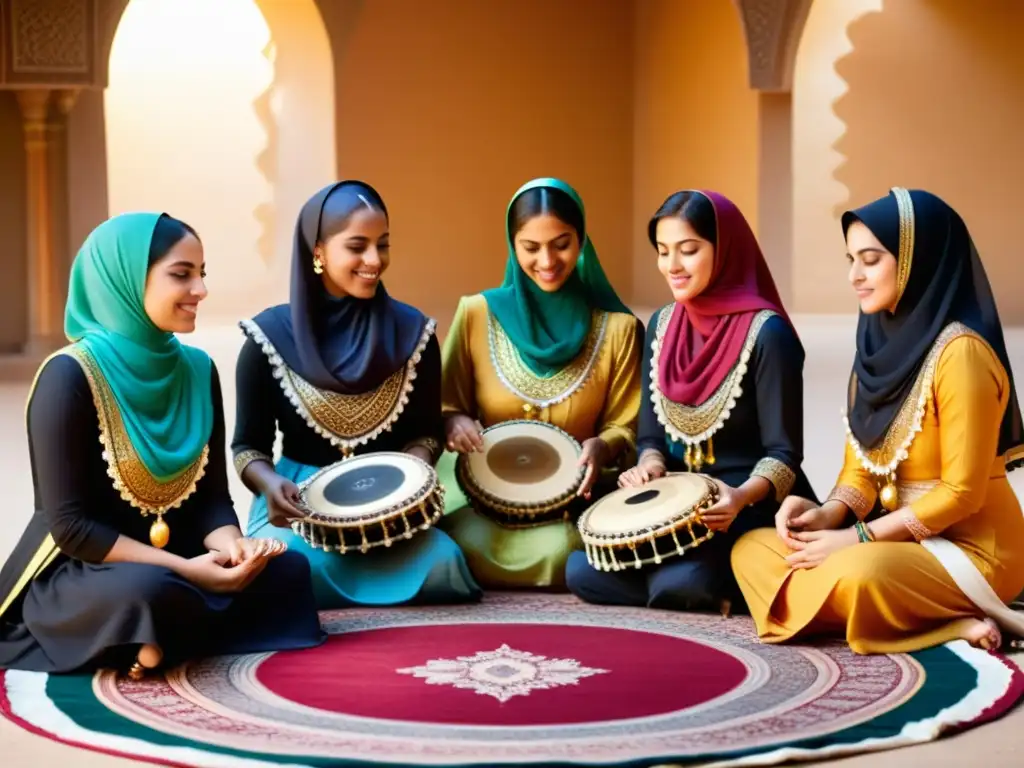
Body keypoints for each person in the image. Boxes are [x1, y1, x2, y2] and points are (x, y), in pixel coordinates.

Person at [0, 213, 324, 677]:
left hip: (182, 555)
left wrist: (234, 549)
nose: (200, 290)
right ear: (126, 280)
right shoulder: (68, 376)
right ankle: (157, 630)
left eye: (202, 274)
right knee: (148, 591)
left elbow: (211, 501)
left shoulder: (197, 369)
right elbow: (71, 528)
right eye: (181, 274)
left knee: (287, 571)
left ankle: (149, 641)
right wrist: (188, 570)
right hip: (90, 567)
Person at [732, 188, 1024, 653]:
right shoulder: (875, 341)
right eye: (850, 259)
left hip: (973, 553)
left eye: (870, 259)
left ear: (916, 257)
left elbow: (961, 494)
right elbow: (863, 469)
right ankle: (901, 617)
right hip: (897, 545)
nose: (855, 276)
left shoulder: (962, 354)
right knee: (752, 548)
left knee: (861, 575)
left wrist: (856, 538)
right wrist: (825, 516)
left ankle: (949, 621)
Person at [232, 181, 480, 608]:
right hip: (301, 511)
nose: (374, 260)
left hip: (389, 511)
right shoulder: (266, 338)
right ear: (318, 252)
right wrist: (270, 483)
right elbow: (246, 447)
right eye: (357, 246)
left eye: (382, 245)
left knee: (445, 563)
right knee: (288, 564)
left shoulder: (414, 333)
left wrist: (407, 484)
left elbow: (424, 433)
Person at [566, 190, 815, 613]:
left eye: (688, 250)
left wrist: (738, 498)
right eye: (663, 252)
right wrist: (649, 466)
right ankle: (690, 587)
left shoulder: (769, 334)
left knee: (682, 583)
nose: (672, 266)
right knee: (579, 571)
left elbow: (784, 457)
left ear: (724, 250)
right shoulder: (663, 324)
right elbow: (650, 436)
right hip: (672, 508)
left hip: (742, 508)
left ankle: (693, 584)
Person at [438, 177, 642, 589]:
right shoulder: (477, 314)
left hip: (572, 510)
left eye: (561, 243)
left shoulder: (618, 329)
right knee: (454, 549)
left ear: (582, 240)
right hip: (482, 508)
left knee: (563, 551)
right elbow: (445, 404)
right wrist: (454, 421)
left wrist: (604, 446)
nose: (547, 260)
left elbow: (628, 425)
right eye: (530, 247)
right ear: (512, 245)